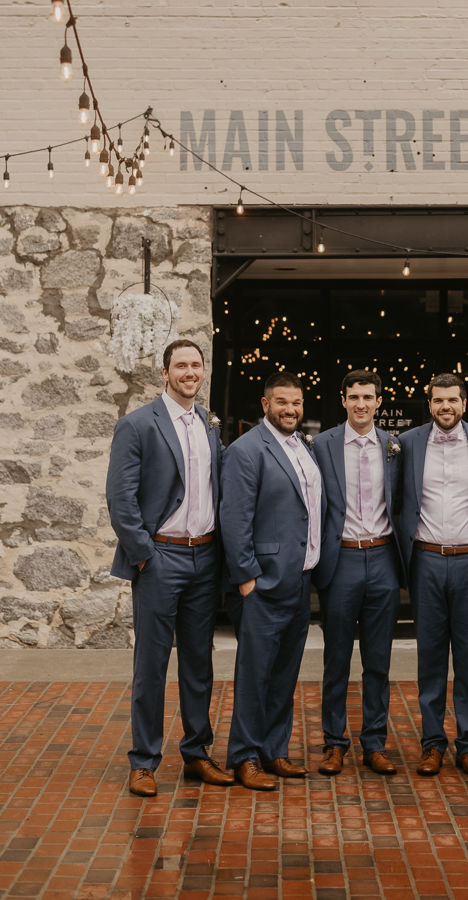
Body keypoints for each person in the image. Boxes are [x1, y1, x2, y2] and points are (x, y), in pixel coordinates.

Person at [106, 338, 232, 798]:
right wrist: (144, 555)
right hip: (160, 558)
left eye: (196, 365)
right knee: (152, 664)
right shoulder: (137, 424)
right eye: (181, 365)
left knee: (199, 663)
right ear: (165, 372)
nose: (189, 372)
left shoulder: (208, 424)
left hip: (204, 557)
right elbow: (121, 499)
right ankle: (143, 761)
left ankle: (197, 754)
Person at [221, 370, 325, 790]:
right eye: (282, 402)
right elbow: (234, 519)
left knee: (284, 672)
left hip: (300, 581)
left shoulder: (303, 446)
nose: (290, 409)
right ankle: (244, 756)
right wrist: (247, 578)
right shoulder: (247, 450)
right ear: (266, 404)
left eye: (296, 403)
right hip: (262, 584)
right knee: (254, 673)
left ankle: (273, 750)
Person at [396, 373, 468, 777]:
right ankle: (432, 744)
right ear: (429, 403)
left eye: (452, 400)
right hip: (426, 561)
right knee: (431, 658)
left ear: (464, 403)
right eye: (438, 400)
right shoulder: (406, 444)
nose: (445, 407)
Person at [312, 369, 404, 776]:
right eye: (354, 397)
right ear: (343, 400)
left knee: (378, 659)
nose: (361, 404)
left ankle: (374, 743)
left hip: (383, 557)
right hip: (342, 558)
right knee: (336, 659)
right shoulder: (322, 445)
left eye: (369, 397)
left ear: (379, 401)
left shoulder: (394, 446)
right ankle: (334, 744)